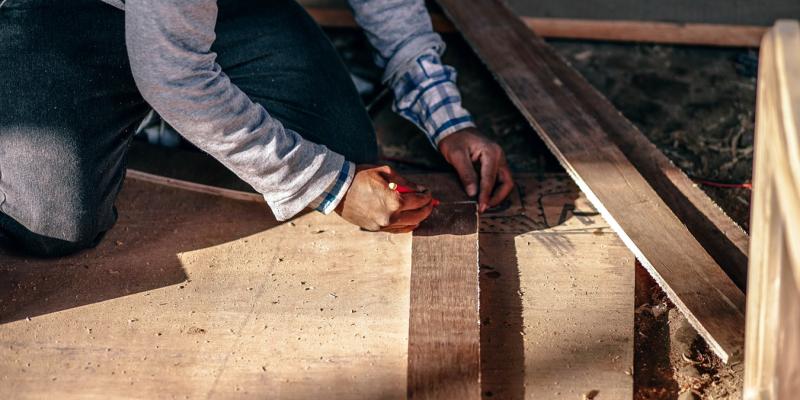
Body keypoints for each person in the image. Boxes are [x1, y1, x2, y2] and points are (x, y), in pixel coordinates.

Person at [0, 0, 513, 257]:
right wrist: (329, 185)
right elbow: (173, 73)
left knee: (349, 153)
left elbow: (387, 2)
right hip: (72, 11)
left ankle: (186, 125)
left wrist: (447, 119)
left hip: (231, 11)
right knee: (51, 227)